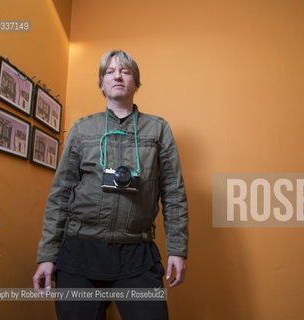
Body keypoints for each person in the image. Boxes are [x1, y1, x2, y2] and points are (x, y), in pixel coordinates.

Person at [32, 50, 189, 320]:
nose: (117, 75)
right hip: (80, 253)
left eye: (125, 71)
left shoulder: (158, 129)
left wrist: (177, 249)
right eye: (110, 72)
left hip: (137, 254)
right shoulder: (82, 130)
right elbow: (60, 195)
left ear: (136, 83)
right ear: (101, 83)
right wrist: (47, 254)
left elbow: (174, 193)